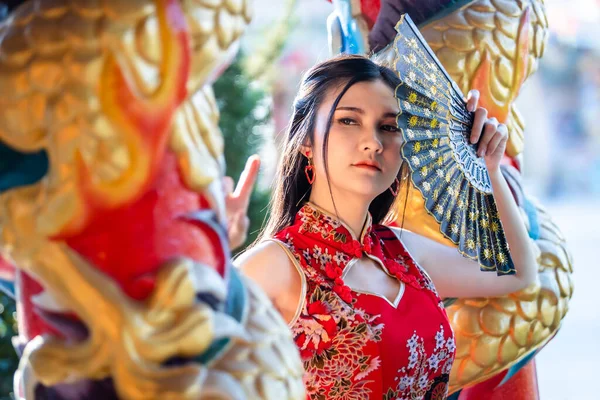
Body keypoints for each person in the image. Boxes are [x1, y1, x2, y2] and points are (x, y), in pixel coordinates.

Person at [227, 54, 538, 399]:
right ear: (306, 142)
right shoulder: (276, 265)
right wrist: (212, 254)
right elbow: (183, 363)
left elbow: (519, 272)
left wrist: (489, 167)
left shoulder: (402, 253)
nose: (373, 142)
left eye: (389, 127)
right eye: (348, 121)